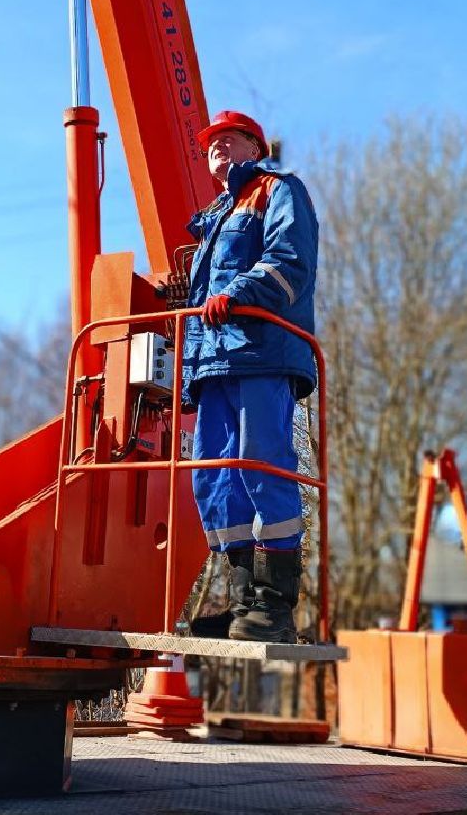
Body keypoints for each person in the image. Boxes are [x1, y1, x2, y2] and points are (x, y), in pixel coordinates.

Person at [182, 110, 318, 643]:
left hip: (260, 353)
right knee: (215, 477)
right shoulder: (215, 216)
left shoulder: (277, 192)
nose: (217, 148)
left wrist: (235, 295)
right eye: (211, 143)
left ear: (253, 145)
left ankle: (274, 606)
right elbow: (198, 296)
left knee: (262, 466)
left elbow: (289, 261)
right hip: (213, 362)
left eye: (228, 139)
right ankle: (242, 602)